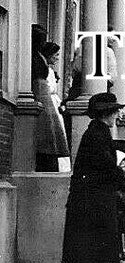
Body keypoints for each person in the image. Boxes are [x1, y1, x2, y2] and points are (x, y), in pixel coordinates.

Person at [59, 92, 125, 263]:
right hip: (91, 202)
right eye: (115, 111)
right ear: (106, 114)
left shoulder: (98, 132)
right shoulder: (97, 135)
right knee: (96, 247)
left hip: (92, 199)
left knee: (96, 247)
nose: (117, 115)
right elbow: (108, 166)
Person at [35, 41, 70, 172]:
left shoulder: (49, 70)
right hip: (49, 101)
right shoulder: (47, 71)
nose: (57, 57)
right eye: (55, 55)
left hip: (54, 101)